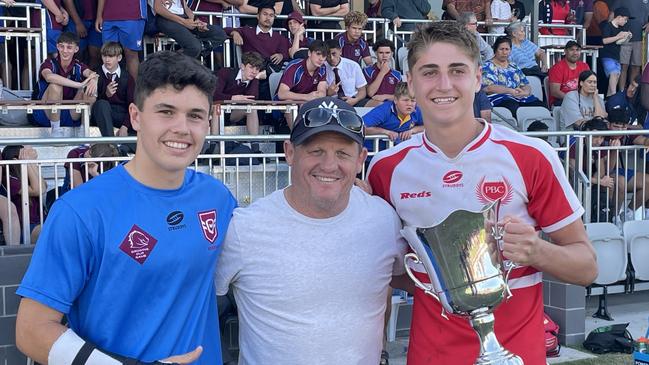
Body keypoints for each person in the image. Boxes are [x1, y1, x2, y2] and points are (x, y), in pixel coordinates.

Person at [367, 21, 597, 365]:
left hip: (517, 353)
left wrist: (537, 251)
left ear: (477, 78)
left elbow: (586, 268)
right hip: (432, 355)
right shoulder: (386, 169)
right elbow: (385, 270)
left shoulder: (531, 156)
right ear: (411, 83)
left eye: (457, 70)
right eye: (429, 72)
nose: (444, 84)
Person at [15, 51, 237, 364]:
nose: (182, 128)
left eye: (195, 116)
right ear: (135, 116)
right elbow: (31, 331)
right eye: (166, 112)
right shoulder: (81, 210)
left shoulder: (218, 198)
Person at [216, 96, 407, 365]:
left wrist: (382, 351)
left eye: (342, 153)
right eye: (315, 151)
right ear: (290, 152)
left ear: (361, 158)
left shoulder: (384, 219)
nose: (329, 165)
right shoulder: (244, 228)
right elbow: (198, 305)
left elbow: (385, 280)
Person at [32, 32, 99, 137]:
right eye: (62, 46)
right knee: (56, 85)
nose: (65, 51)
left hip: (69, 113)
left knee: (90, 88)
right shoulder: (49, 63)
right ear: (57, 47)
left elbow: (92, 74)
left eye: (69, 47)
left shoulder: (78, 65)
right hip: (46, 113)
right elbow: (49, 77)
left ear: (76, 49)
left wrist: (93, 80)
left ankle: (83, 128)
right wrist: (78, 85)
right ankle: (55, 131)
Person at [482, 36, 545, 116]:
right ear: (495, 50)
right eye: (501, 49)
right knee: (513, 105)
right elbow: (489, 88)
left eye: (507, 49)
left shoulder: (514, 66)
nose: (504, 52)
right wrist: (511, 91)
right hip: (498, 98)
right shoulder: (487, 66)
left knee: (541, 106)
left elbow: (525, 84)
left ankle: (536, 128)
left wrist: (525, 92)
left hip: (519, 97)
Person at [276, 41, 328, 127]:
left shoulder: (322, 68)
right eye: (318, 54)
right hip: (282, 103)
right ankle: (296, 136)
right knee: (290, 103)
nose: (321, 59)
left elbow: (322, 92)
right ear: (309, 53)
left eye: (324, 56)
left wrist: (313, 97)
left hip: (306, 102)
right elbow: (281, 94)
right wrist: (306, 97)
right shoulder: (294, 67)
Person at [151, 0, 227, 59]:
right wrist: (184, 22)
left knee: (220, 34)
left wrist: (198, 22)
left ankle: (194, 50)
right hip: (167, 19)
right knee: (194, 47)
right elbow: (158, 8)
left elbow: (186, 8)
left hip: (184, 17)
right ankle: (169, 64)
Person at [0, 145, 46, 242]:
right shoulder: (8, 179)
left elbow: (43, 186)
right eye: (24, 155)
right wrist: (27, 162)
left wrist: (31, 163)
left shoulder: (27, 176)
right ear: (15, 159)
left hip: (39, 222)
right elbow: (38, 190)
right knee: (49, 232)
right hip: (25, 227)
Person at [213, 51, 264, 137]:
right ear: (242, 66)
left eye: (257, 69)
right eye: (251, 67)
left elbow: (252, 98)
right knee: (217, 107)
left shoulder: (253, 79)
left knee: (252, 108)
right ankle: (214, 145)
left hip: (232, 112)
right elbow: (215, 95)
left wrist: (256, 79)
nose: (254, 72)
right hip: (214, 109)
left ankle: (255, 146)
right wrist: (232, 98)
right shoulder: (225, 72)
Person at [91, 41, 136, 137]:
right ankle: (111, 144)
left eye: (111, 56)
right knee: (102, 104)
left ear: (119, 58)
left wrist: (125, 126)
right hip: (101, 115)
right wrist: (106, 95)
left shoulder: (127, 77)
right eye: (104, 56)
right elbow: (93, 103)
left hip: (121, 115)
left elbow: (132, 104)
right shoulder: (95, 74)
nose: (107, 60)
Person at [363, 81, 424, 150]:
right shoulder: (384, 110)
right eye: (405, 100)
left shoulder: (416, 110)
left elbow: (431, 126)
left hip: (398, 153)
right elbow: (361, 128)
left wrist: (412, 131)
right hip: (371, 153)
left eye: (413, 101)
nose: (410, 104)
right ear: (395, 100)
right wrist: (385, 132)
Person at [95, 0, 146, 78]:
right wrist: (99, 15)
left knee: (131, 54)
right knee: (108, 53)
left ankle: (135, 89)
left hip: (133, 14)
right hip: (108, 14)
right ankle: (109, 89)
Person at [609, 1, 649, 93]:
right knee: (623, 66)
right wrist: (610, 31)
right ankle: (622, 93)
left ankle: (632, 93)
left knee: (636, 66)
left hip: (641, 37)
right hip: (623, 37)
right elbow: (612, 15)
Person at [599, 7, 632, 96]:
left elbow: (619, 42)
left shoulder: (621, 28)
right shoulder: (608, 26)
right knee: (613, 74)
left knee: (616, 75)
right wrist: (619, 36)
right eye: (625, 19)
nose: (626, 22)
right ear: (619, 17)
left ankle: (610, 100)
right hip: (607, 56)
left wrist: (626, 37)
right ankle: (614, 95)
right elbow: (604, 41)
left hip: (616, 56)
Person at [324, 39, 367, 106]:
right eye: (328, 55)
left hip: (353, 99)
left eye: (334, 54)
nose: (331, 58)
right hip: (330, 102)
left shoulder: (353, 65)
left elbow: (362, 91)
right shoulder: (322, 68)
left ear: (340, 51)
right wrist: (328, 93)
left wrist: (355, 100)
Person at [547, 40, 590, 106]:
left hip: (580, 100)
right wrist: (574, 100)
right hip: (561, 101)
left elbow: (589, 85)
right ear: (565, 51)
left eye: (577, 50)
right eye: (572, 50)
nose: (575, 53)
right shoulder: (557, 68)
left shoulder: (584, 66)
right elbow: (555, 92)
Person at [62, 0, 102, 68]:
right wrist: (78, 23)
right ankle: (73, 77)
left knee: (96, 54)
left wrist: (99, 17)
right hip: (76, 20)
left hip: (94, 21)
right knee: (75, 53)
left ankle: (90, 76)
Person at [364, 39, 402, 107]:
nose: (384, 56)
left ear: (392, 54)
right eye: (381, 53)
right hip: (373, 106)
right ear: (376, 53)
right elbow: (370, 93)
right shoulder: (367, 71)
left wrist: (385, 96)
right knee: (380, 105)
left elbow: (401, 97)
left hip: (392, 105)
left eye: (387, 53)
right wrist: (382, 73)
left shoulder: (397, 74)